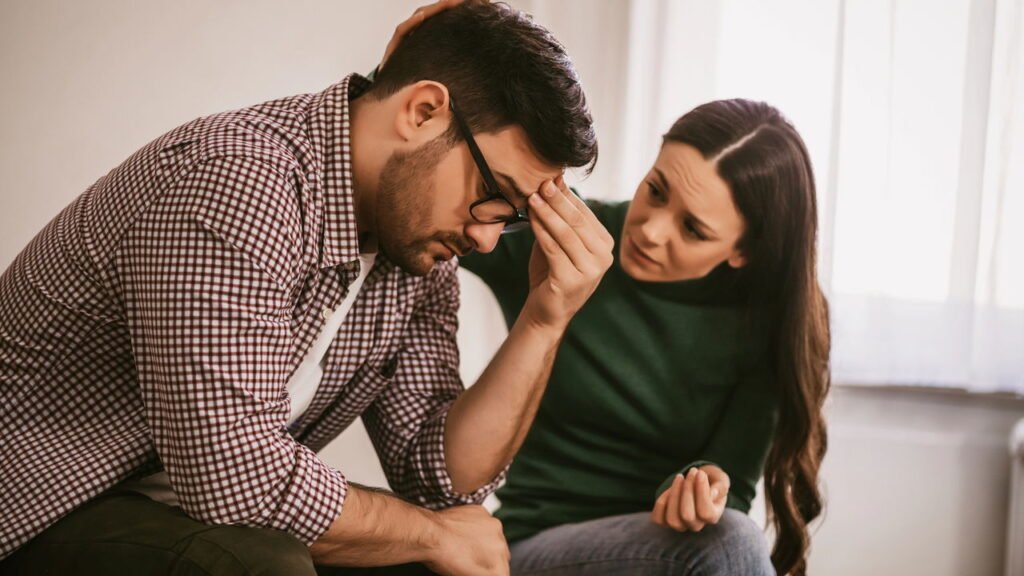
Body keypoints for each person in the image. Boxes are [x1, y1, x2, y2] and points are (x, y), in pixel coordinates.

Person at [0, 2, 615, 575]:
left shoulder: (416, 253)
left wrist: (544, 318)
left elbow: (441, 482)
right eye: (493, 198)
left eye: (510, 219)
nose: (487, 241)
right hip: (40, 510)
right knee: (259, 562)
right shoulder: (240, 181)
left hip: (165, 516)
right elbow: (231, 478)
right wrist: (435, 535)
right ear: (422, 112)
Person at [460, 98, 831, 576]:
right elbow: (418, 211)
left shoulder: (770, 325)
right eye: (656, 191)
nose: (651, 231)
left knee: (731, 537)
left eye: (693, 229)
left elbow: (730, 487)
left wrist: (700, 491)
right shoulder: (570, 239)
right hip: (532, 549)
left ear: (744, 252)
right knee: (732, 545)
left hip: (667, 551)